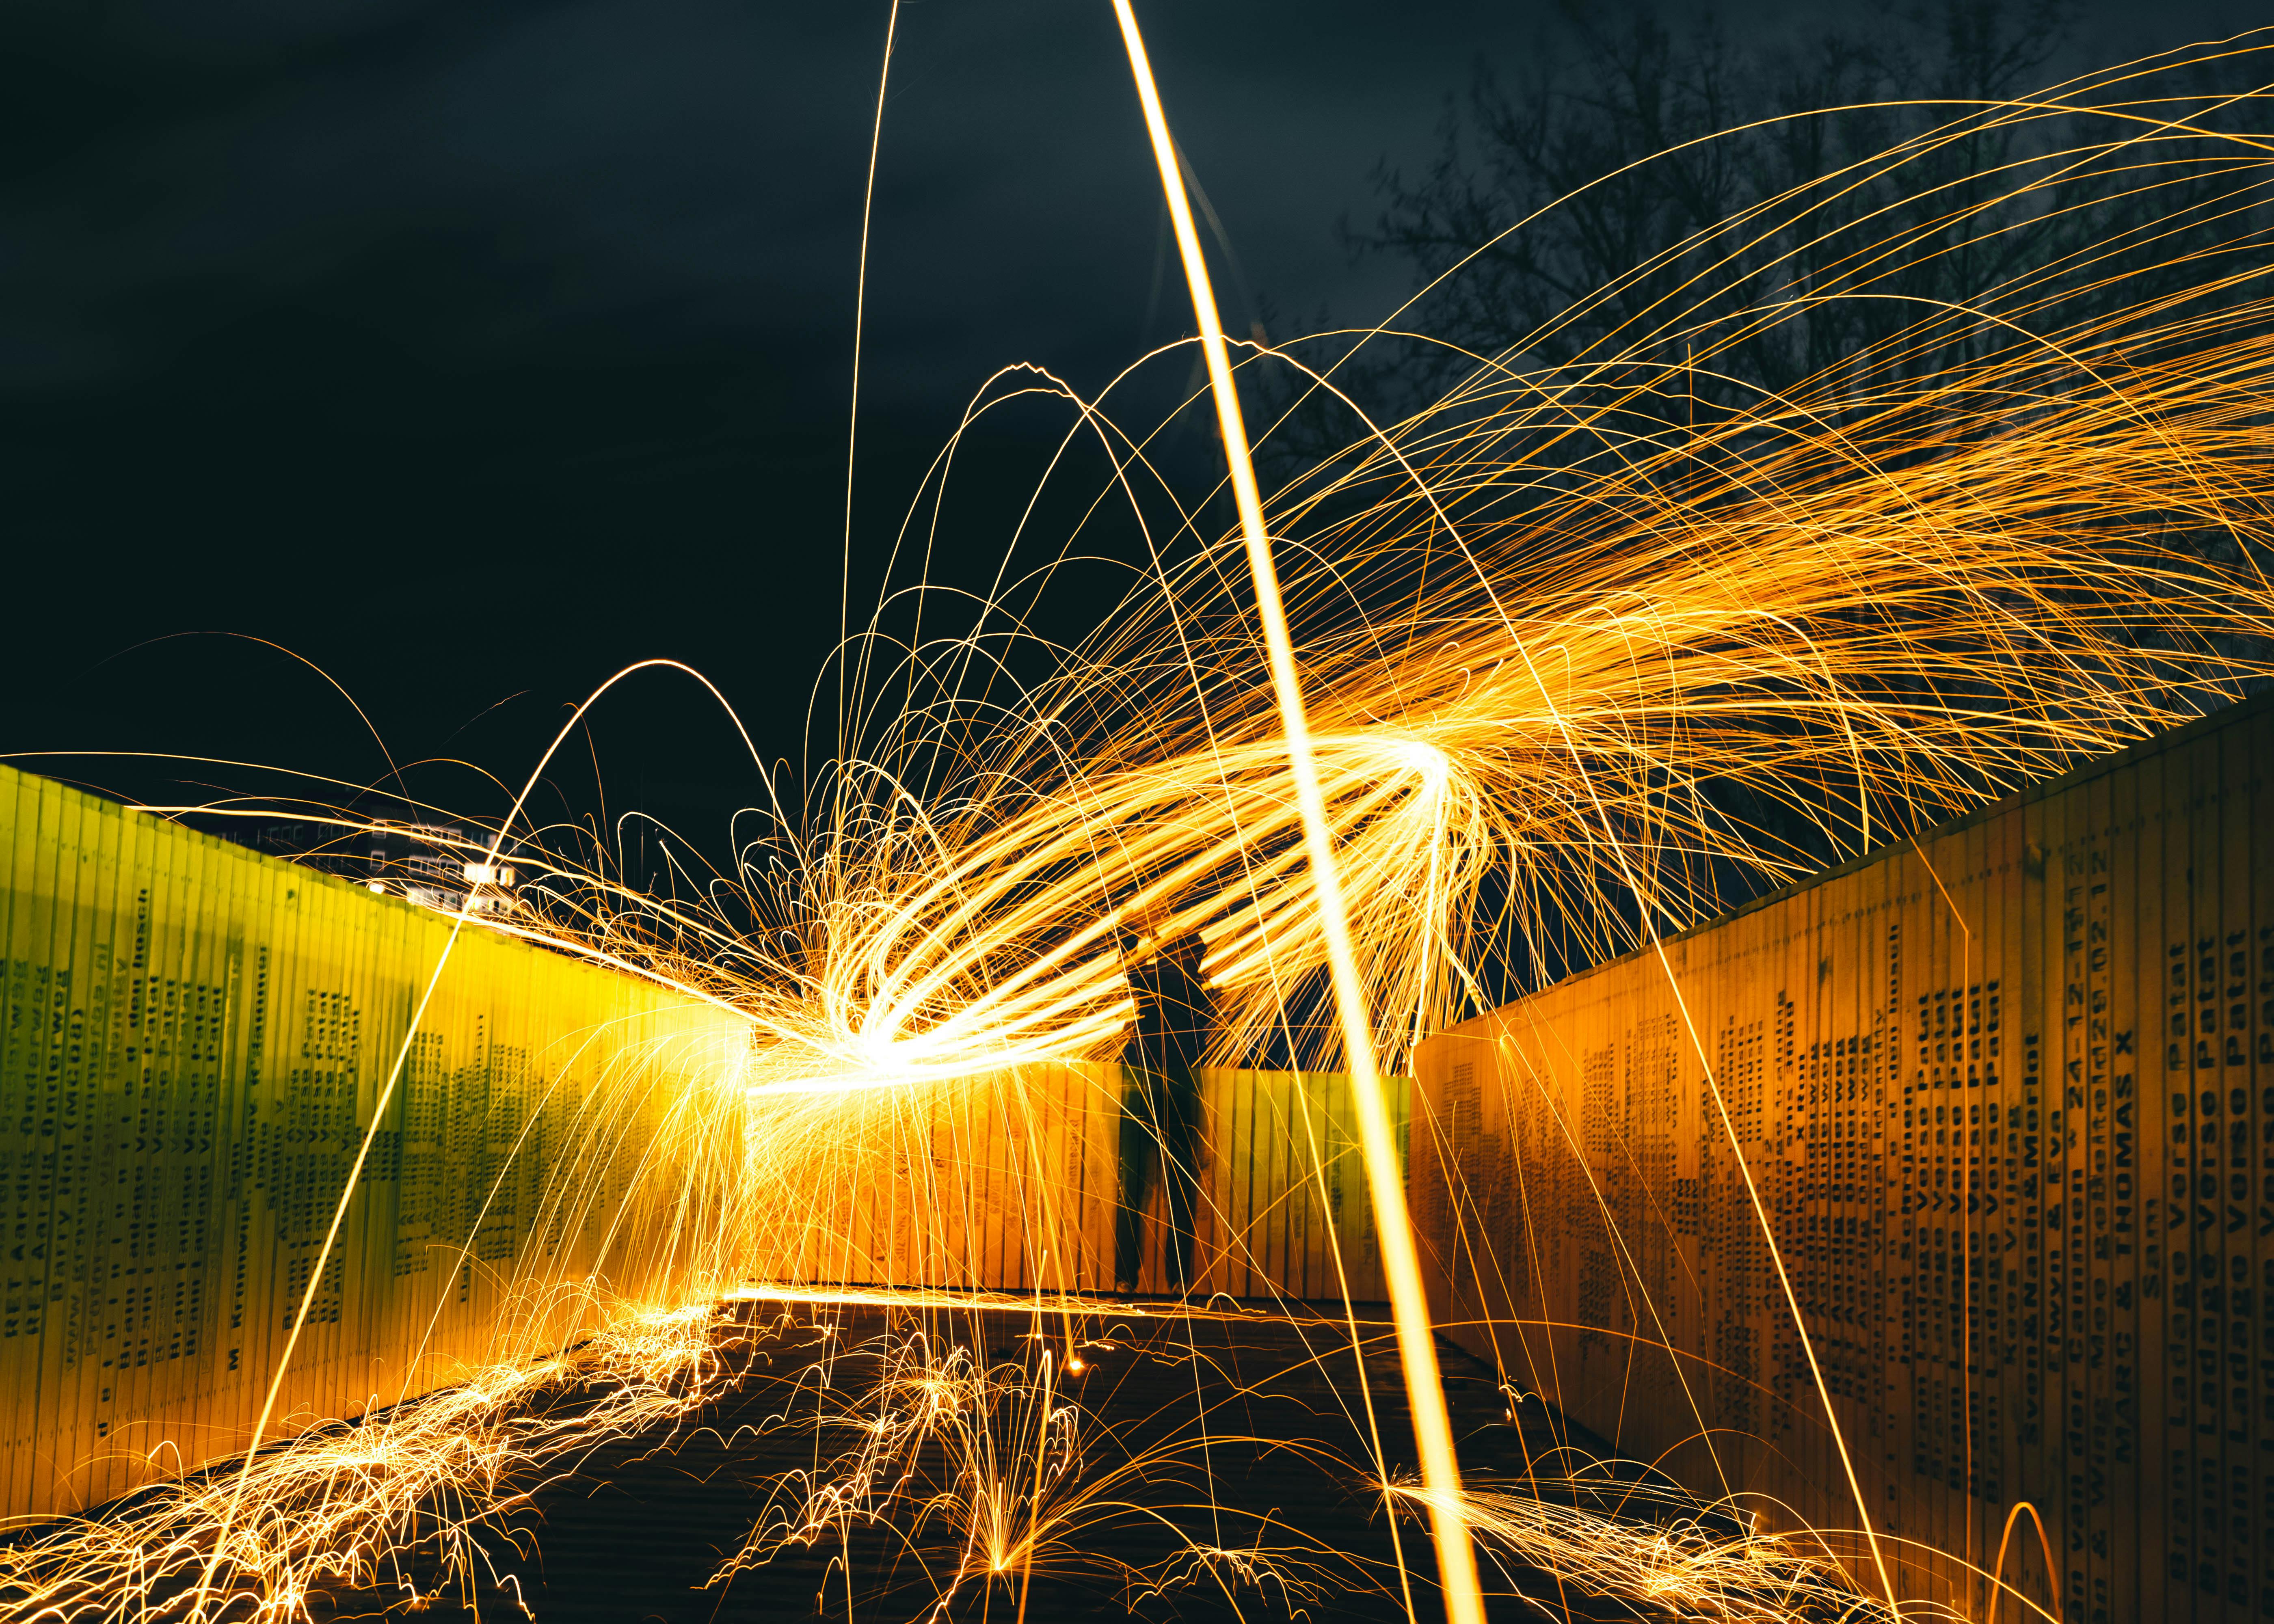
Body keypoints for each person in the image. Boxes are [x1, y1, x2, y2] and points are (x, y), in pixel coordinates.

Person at [1115, 924, 1212, 1295]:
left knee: (1133, 1190)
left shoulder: (1150, 978)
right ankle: (1179, 1281)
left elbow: (1125, 962)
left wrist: (1135, 934)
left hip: (1141, 1087)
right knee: (1181, 1191)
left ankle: (1126, 1277)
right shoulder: (1199, 993)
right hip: (1181, 1092)